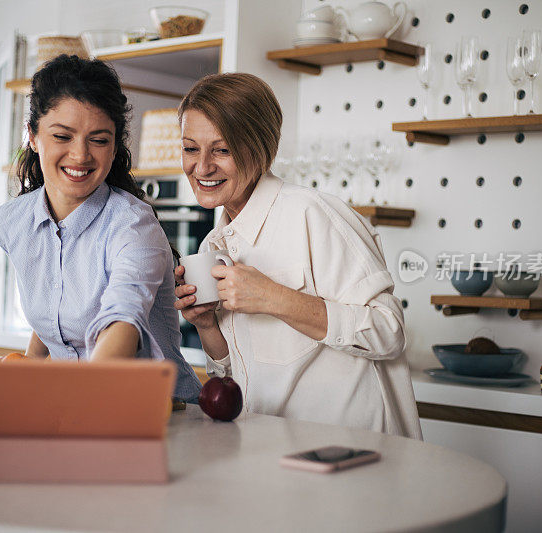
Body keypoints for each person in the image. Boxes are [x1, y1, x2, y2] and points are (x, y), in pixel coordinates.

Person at [174, 73, 422, 438]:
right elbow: (232, 373)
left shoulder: (313, 214)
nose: (203, 166)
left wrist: (274, 298)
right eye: (191, 148)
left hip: (352, 453)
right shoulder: (214, 245)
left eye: (222, 150)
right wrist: (207, 325)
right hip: (268, 451)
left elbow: (389, 332)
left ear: (260, 150)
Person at [0, 55, 202, 401]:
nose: (80, 155)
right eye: (63, 136)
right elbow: (55, 307)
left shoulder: (132, 225)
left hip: (162, 413)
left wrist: (82, 398)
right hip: (73, 405)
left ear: (116, 144)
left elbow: (123, 319)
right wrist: (30, 365)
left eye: (99, 140)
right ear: (32, 136)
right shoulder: (12, 223)